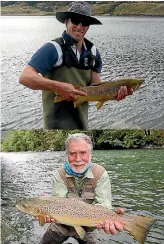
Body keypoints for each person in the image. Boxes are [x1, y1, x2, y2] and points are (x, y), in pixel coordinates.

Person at [19, 2, 133, 130]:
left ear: (88, 27)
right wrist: (59, 87)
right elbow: (25, 77)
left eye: (84, 22)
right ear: (66, 22)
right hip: (54, 128)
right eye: (75, 20)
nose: (80, 26)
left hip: (82, 126)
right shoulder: (53, 48)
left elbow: (96, 89)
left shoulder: (93, 53)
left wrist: (113, 94)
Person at [39, 133, 124, 244]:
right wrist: (47, 212)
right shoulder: (59, 175)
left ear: (90, 154)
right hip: (61, 226)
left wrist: (109, 216)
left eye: (83, 153)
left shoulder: (101, 174)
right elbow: (58, 203)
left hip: (88, 227)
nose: (78, 159)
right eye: (72, 153)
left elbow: (104, 204)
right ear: (67, 155)